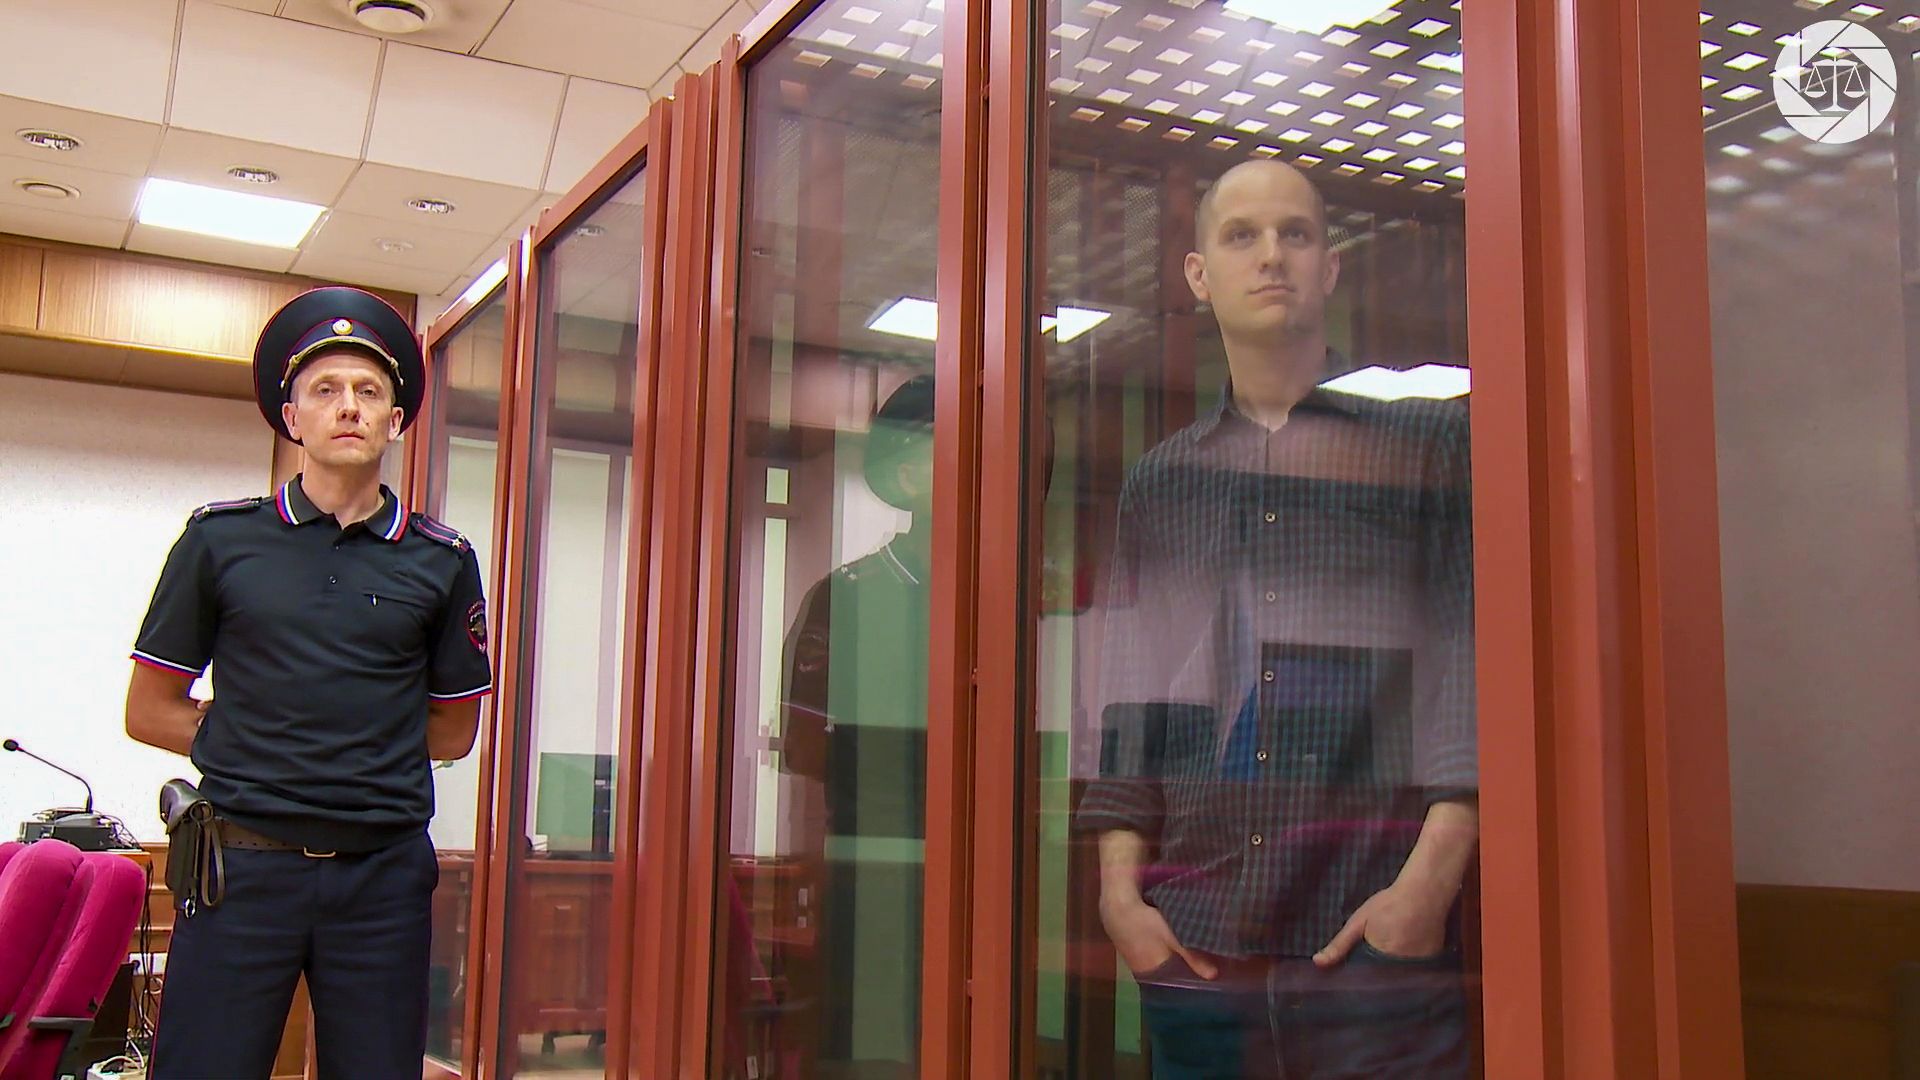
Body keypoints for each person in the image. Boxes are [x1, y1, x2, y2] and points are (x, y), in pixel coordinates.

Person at [1075, 160, 1477, 1079]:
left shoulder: (1424, 444)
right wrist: (1120, 903)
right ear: (1197, 275)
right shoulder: (1165, 481)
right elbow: (1132, 702)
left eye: (1296, 234)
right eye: (1242, 235)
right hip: (1194, 945)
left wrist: (1427, 889)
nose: (1273, 257)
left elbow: (1477, 663)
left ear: (1329, 268)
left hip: (1375, 943)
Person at [124, 287, 493, 1079]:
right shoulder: (220, 541)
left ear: (397, 420)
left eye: (369, 392)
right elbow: (150, 710)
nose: (348, 408)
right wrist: (257, 738)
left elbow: (454, 731)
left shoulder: (443, 560)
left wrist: (350, 746)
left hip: (382, 881)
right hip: (240, 872)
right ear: (292, 418)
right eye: (325, 391)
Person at [776, 374, 934, 1073]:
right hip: (878, 871)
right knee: (872, 1052)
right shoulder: (846, 598)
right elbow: (808, 751)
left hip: (997, 878)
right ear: (906, 471)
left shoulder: (1017, 595)